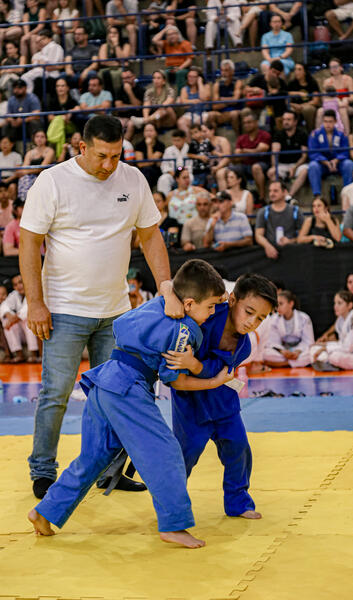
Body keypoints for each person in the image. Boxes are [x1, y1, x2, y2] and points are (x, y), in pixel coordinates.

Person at [19, 115, 183, 500]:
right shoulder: (53, 181)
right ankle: (43, 470)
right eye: (102, 156)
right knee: (56, 393)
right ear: (82, 147)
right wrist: (36, 303)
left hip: (116, 312)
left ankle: (110, 471)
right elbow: (29, 243)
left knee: (116, 394)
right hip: (63, 309)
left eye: (116, 155)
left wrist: (165, 288)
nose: (109, 164)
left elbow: (150, 236)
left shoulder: (132, 179)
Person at [28, 259, 233, 548]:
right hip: (128, 389)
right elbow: (175, 381)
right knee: (165, 451)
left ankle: (44, 511)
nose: (212, 313)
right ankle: (174, 525)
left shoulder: (156, 305)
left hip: (104, 381)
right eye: (210, 306)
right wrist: (214, 380)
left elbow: (121, 324)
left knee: (94, 457)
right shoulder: (187, 330)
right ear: (188, 303)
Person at [168, 273, 278, 520]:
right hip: (190, 399)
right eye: (249, 311)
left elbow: (216, 372)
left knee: (238, 447)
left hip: (223, 399)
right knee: (186, 453)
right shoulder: (206, 313)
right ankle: (170, 505)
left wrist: (194, 364)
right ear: (232, 300)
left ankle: (238, 502)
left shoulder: (244, 346)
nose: (252, 322)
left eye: (260, 318)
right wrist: (188, 363)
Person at [310, 290, 353, 371]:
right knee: (314, 348)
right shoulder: (341, 320)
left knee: (334, 356)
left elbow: (347, 348)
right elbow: (342, 343)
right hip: (351, 351)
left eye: (339, 303)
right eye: (335, 303)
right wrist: (323, 345)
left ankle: (331, 364)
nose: (335, 306)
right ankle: (330, 363)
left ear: (349, 305)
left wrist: (325, 348)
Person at [308, 109, 353, 199]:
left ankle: (347, 194)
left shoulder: (341, 134)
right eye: (325, 121)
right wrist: (325, 162)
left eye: (330, 122)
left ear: (335, 122)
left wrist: (336, 160)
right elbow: (313, 152)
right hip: (322, 165)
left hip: (338, 164)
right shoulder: (315, 134)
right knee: (313, 165)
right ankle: (317, 196)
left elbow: (345, 151)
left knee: (349, 164)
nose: (327, 124)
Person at [262, 289, 314, 367]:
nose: (277, 307)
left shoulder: (304, 318)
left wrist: (298, 351)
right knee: (265, 352)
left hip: (299, 350)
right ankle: (296, 363)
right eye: (277, 304)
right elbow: (273, 341)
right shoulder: (273, 319)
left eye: (281, 304)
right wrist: (282, 351)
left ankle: (284, 364)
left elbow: (308, 341)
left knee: (312, 352)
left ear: (291, 304)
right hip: (283, 351)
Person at [255, 180, 304, 260]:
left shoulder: (295, 211)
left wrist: (290, 241)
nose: (272, 194)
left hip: (293, 254)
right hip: (270, 255)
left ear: (284, 192)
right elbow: (258, 235)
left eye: (275, 191)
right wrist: (268, 246)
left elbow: (303, 235)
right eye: (270, 191)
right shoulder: (263, 212)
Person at [267, 110, 308, 199]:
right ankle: (280, 196)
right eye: (284, 119)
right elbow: (274, 154)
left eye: (288, 120)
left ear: (295, 122)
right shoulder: (278, 134)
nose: (285, 122)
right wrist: (274, 166)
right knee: (272, 173)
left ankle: (289, 196)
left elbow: (304, 156)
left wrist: (295, 167)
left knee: (305, 170)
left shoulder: (302, 134)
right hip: (282, 164)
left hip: (297, 164)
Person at [0, 272, 40, 363]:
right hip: (22, 334)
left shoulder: (33, 293)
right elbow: (3, 306)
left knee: (27, 320)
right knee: (6, 321)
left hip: (34, 332)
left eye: (20, 282)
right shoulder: (14, 295)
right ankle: (19, 354)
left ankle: (33, 354)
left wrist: (13, 319)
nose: (19, 286)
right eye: (15, 284)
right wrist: (9, 316)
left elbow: (26, 311)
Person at [234, 110, 271, 204]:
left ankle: (262, 198)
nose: (246, 125)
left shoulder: (264, 135)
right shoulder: (241, 138)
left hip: (263, 164)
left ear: (256, 122)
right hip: (245, 166)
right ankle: (236, 200)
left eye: (249, 122)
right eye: (244, 123)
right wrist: (254, 151)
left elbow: (262, 150)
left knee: (256, 167)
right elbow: (236, 156)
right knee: (232, 170)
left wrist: (245, 151)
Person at [21, 28, 64, 95]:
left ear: (50, 39)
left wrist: (40, 64)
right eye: (38, 41)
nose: (41, 42)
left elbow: (54, 66)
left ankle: (29, 95)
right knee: (24, 78)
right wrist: (40, 64)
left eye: (43, 39)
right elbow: (35, 65)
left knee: (28, 78)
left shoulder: (54, 46)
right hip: (41, 74)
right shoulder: (37, 54)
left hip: (52, 76)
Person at [207, 59, 244, 136]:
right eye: (222, 70)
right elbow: (215, 106)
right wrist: (230, 101)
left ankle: (239, 139)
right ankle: (214, 141)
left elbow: (235, 101)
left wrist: (221, 99)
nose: (223, 73)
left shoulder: (238, 82)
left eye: (226, 70)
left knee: (234, 114)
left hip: (236, 111)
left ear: (232, 71)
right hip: (222, 113)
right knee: (210, 115)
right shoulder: (217, 85)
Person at [152, 25, 193, 93]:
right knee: (163, 74)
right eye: (168, 35)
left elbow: (189, 60)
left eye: (173, 34)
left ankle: (180, 95)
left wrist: (180, 68)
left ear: (178, 34)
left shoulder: (186, 43)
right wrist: (165, 29)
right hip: (170, 68)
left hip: (184, 67)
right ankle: (165, 94)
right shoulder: (166, 43)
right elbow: (154, 40)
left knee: (180, 73)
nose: (171, 36)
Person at [18, 129, 55, 202]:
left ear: (46, 139)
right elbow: (24, 168)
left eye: (42, 137)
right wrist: (27, 172)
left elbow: (41, 168)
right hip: (30, 176)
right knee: (23, 179)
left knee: (37, 181)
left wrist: (27, 171)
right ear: (34, 139)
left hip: (44, 175)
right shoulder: (30, 153)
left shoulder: (50, 151)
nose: (39, 139)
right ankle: (23, 203)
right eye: (37, 136)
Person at [46, 78, 79, 157]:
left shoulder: (72, 100)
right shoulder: (52, 101)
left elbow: (78, 108)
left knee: (58, 120)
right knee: (59, 121)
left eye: (62, 86)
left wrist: (70, 112)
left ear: (67, 88)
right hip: (58, 127)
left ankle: (52, 138)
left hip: (70, 127)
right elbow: (49, 118)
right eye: (58, 86)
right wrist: (62, 118)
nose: (60, 88)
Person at [177, 67, 211, 136]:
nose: (191, 78)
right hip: (189, 113)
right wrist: (194, 101)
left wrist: (200, 83)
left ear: (199, 77)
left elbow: (204, 98)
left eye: (194, 77)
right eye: (189, 76)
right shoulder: (184, 89)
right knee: (180, 122)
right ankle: (190, 144)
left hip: (203, 112)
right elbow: (184, 103)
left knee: (202, 121)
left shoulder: (206, 86)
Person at [63, 26, 99, 92]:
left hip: (87, 73)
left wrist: (86, 70)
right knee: (62, 75)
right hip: (74, 74)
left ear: (86, 36)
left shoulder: (93, 48)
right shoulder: (71, 49)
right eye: (75, 34)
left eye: (79, 34)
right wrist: (68, 69)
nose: (76, 36)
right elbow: (68, 63)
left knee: (92, 74)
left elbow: (95, 64)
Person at [114, 66, 145, 141]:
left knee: (130, 124)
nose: (125, 80)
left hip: (136, 118)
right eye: (123, 78)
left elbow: (138, 107)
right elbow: (119, 107)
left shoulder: (141, 90)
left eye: (128, 77)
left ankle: (124, 146)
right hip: (123, 117)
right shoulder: (120, 89)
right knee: (114, 123)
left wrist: (129, 92)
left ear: (134, 77)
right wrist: (132, 106)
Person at [287, 62, 320, 132]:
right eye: (295, 69)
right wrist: (297, 94)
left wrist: (301, 106)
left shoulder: (312, 83)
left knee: (308, 109)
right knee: (291, 111)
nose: (296, 72)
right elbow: (286, 97)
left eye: (299, 69)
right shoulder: (291, 83)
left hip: (308, 105)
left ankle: (311, 132)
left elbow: (316, 101)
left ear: (305, 72)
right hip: (294, 106)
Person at [157, 129, 190, 195]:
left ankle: (188, 198)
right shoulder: (168, 150)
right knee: (163, 179)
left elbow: (190, 166)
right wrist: (172, 173)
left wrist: (182, 173)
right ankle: (164, 200)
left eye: (178, 140)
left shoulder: (189, 149)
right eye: (174, 140)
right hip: (172, 174)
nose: (176, 143)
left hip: (186, 174)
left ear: (184, 139)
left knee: (190, 178)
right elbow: (164, 165)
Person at [201, 120, 231, 191]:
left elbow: (227, 158)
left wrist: (217, 167)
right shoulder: (202, 144)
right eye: (201, 132)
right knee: (205, 175)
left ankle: (223, 197)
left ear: (212, 131)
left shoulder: (222, 140)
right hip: (210, 169)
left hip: (224, 167)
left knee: (220, 173)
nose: (203, 134)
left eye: (205, 131)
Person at [135, 122, 165, 189]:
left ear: (156, 132)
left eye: (151, 130)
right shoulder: (139, 145)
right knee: (145, 170)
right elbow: (139, 164)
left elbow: (151, 160)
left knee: (148, 170)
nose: (148, 133)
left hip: (155, 171)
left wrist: (148, 145)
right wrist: (150, 163)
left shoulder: (160, 145)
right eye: (146, 131)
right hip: (142, 171)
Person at [187, 123, 214, 187]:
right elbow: (189, 154)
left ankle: (214, 195)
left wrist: (219, 154)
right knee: (199, 185)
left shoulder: (207, 141)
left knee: (212, 184)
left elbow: (212, 151)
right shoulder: (193, 143)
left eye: (196, 132)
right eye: (192, 133)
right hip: (197, 170)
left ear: (201, 132)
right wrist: (200, 157)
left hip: (208, 168)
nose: (194, 135)